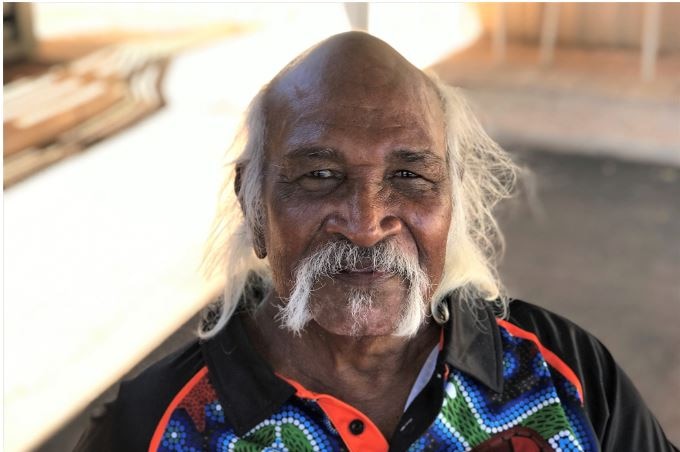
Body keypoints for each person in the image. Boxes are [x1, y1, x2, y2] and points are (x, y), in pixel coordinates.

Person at [76, 31, 677, 452]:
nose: (366, 223)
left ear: (453, 201)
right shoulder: (153, 426)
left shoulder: (564, 375)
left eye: (408, 176)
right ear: (253, 203)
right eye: (319, 175)